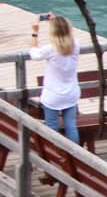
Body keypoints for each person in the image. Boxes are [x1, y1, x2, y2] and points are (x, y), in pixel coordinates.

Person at [28, 14, 80, 143]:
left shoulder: (50, 49)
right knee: (71, 126)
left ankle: (54, 155)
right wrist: (57, 23)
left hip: (53, 95)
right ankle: (76, 156)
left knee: (52, 127)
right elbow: (66, 35)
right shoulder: (75, 45)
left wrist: (35, 31)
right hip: (71, 93)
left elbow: (34, 54)